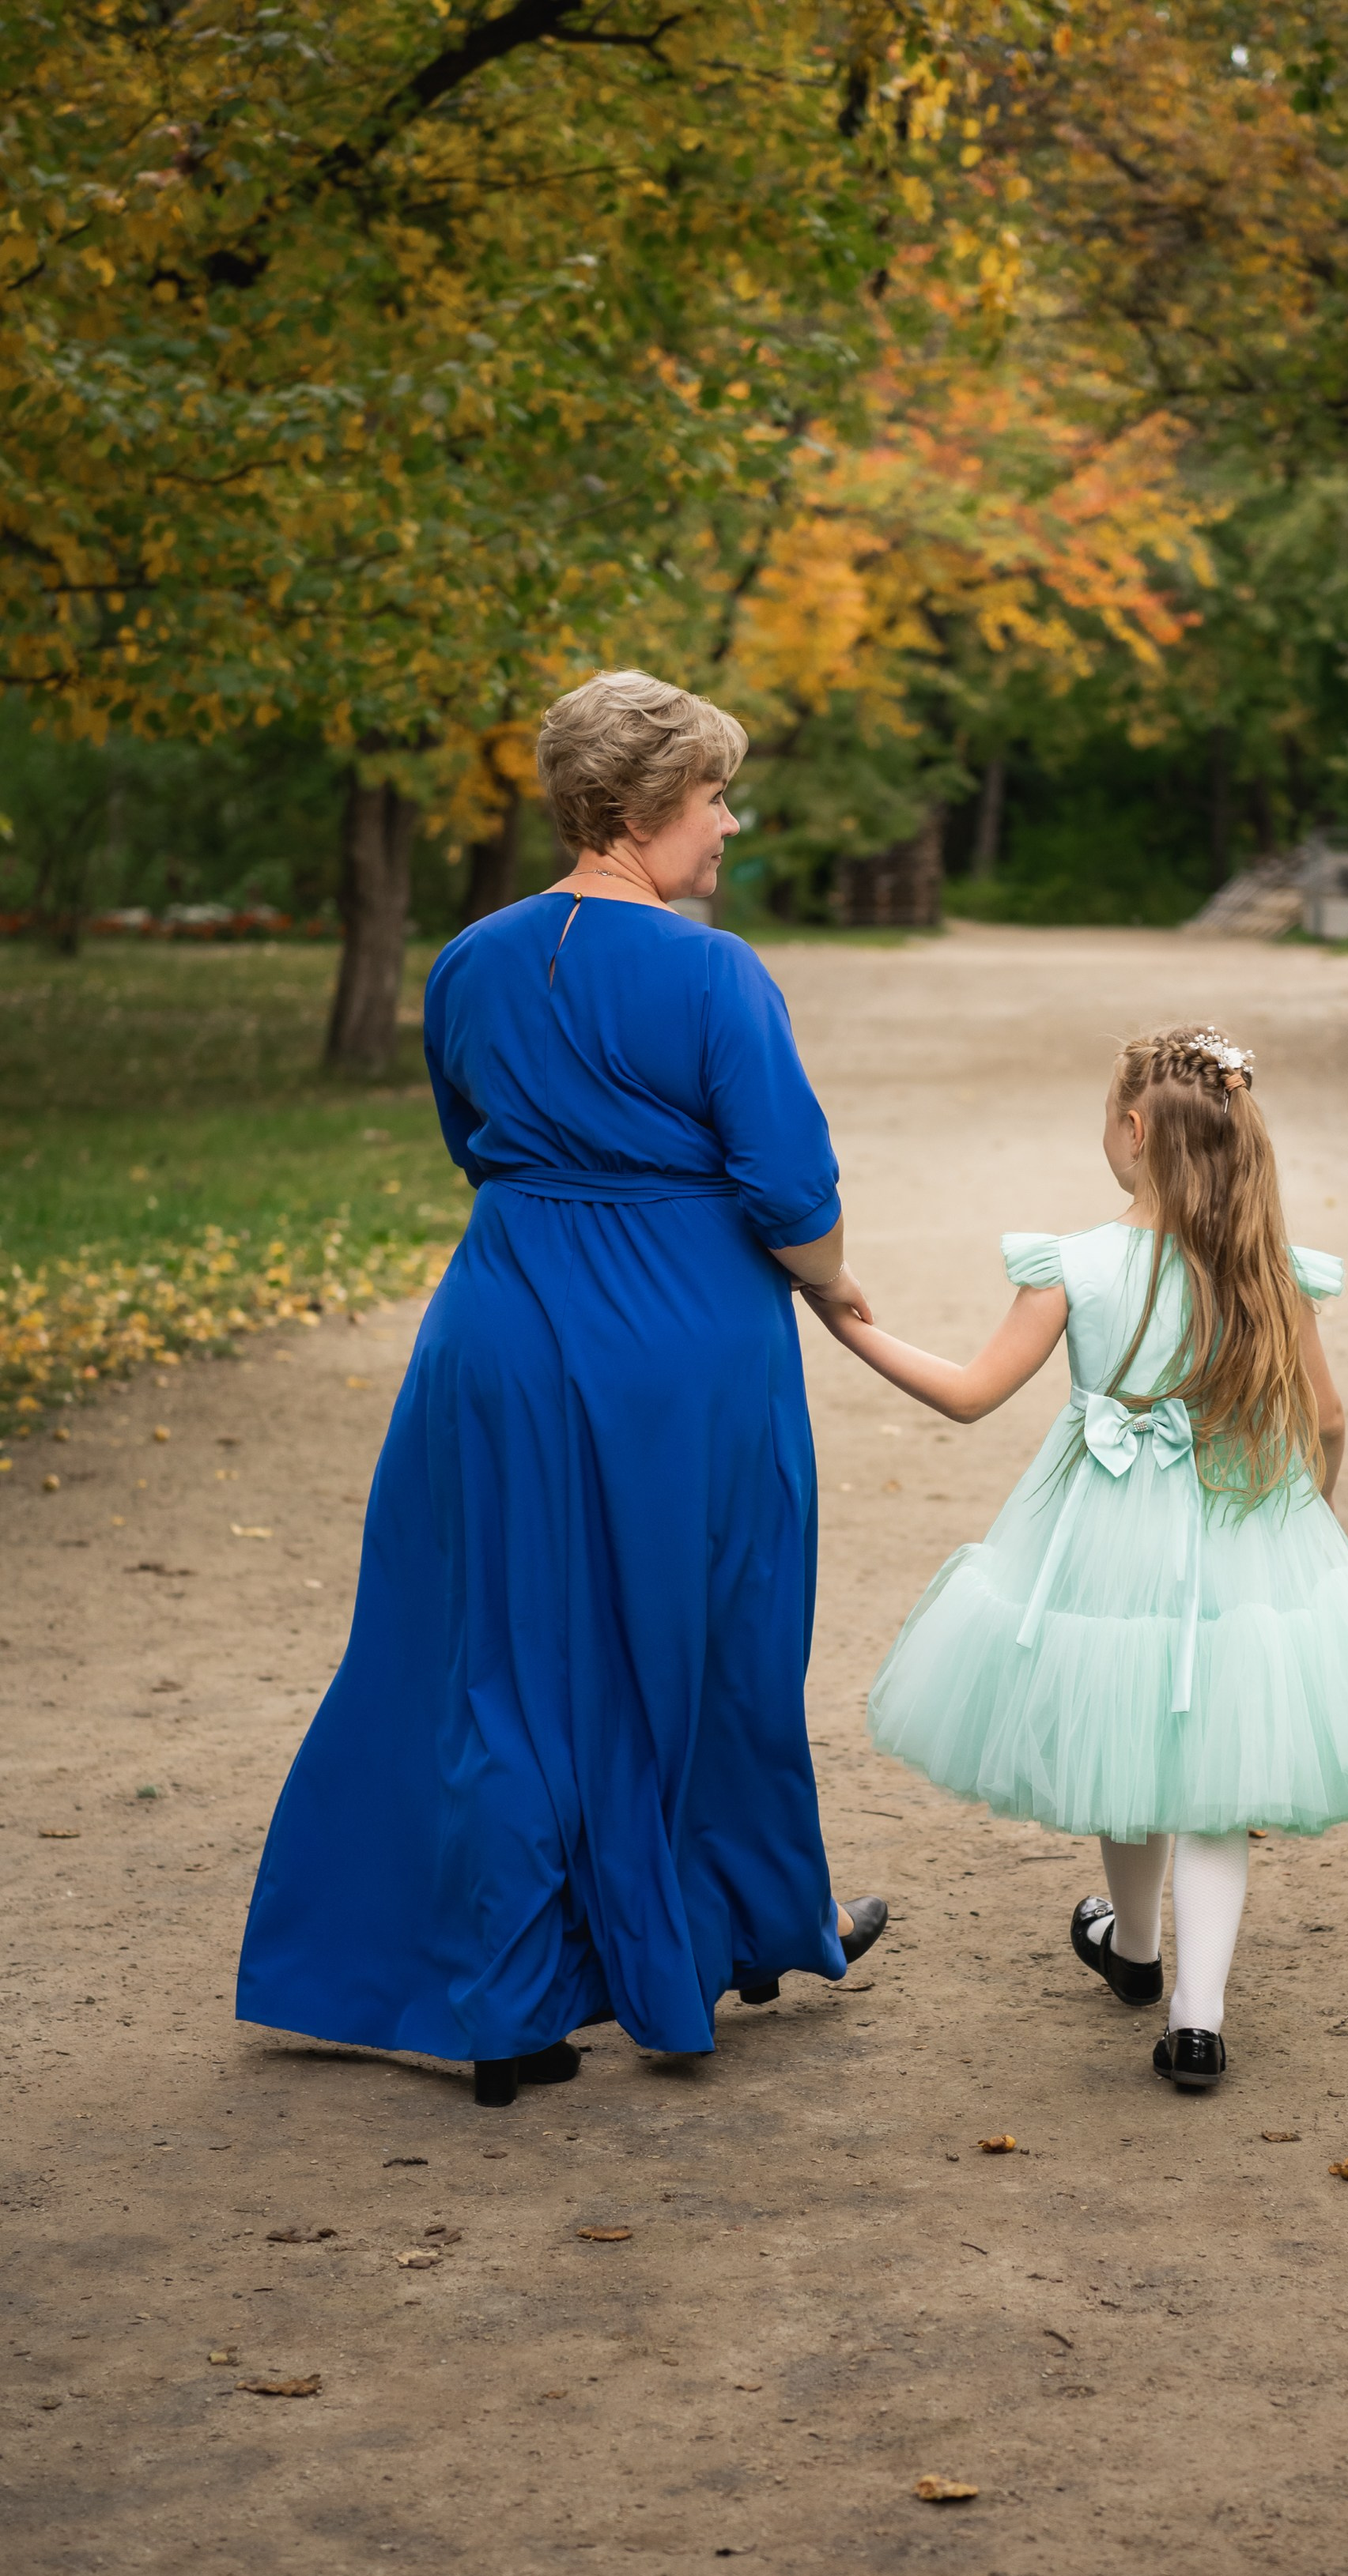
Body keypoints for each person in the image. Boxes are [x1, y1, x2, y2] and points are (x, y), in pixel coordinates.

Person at [237, 669, 885, 2107]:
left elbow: (474, 1141)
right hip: (683, 1344)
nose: (729, 823)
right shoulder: (716, 972)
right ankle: (724, 1926)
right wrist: (831, 1281)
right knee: (710, 1637)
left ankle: (511, 2009)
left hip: (505, 1328)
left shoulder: (468, 960)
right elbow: (792, 1189)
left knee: (503, 1654)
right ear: (649, 809)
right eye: (716, 796)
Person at [807, 1026, 1348, 2092]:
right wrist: (1307, 1519)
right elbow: (1330, 1417)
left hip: (1099, 1536)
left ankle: (1131, 1947)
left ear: (1132, 1131)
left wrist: (844, 1324)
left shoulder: (1076, 1265)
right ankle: (1198, 2020)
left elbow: (971, 1393)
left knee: (1126, 1724)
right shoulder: (1268, 1271)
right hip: (1239, 1523)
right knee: (1217, 1773)